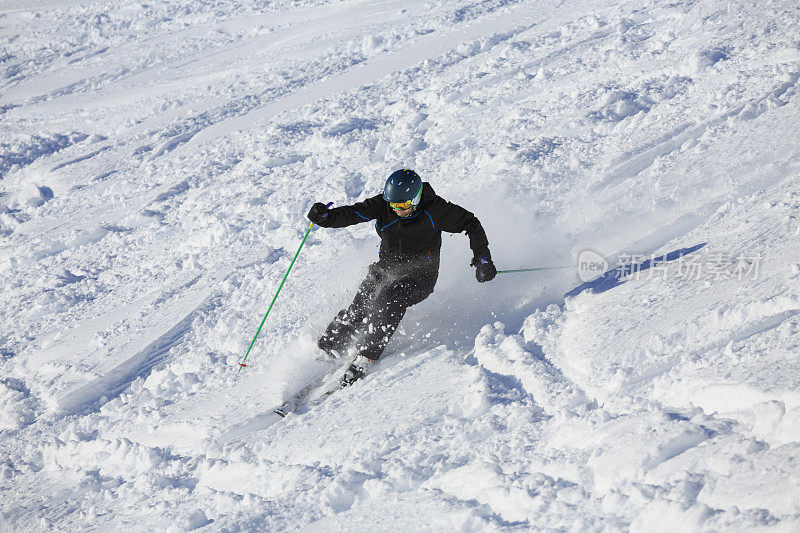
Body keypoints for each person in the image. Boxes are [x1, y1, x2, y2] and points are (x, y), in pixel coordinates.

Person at [307, 169, 496, 386]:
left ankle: (366, 355)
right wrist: (326, 218)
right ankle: (328, 348)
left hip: (420, 278)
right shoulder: (383, 205)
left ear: (416, 198)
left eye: (404, 206)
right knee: (360, 306)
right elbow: (353, 213)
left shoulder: (435, 209)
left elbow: (471, 223)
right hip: (384, 269)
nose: (399, 211)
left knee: (389, 297)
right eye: (395, 206)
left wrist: (483, 258)